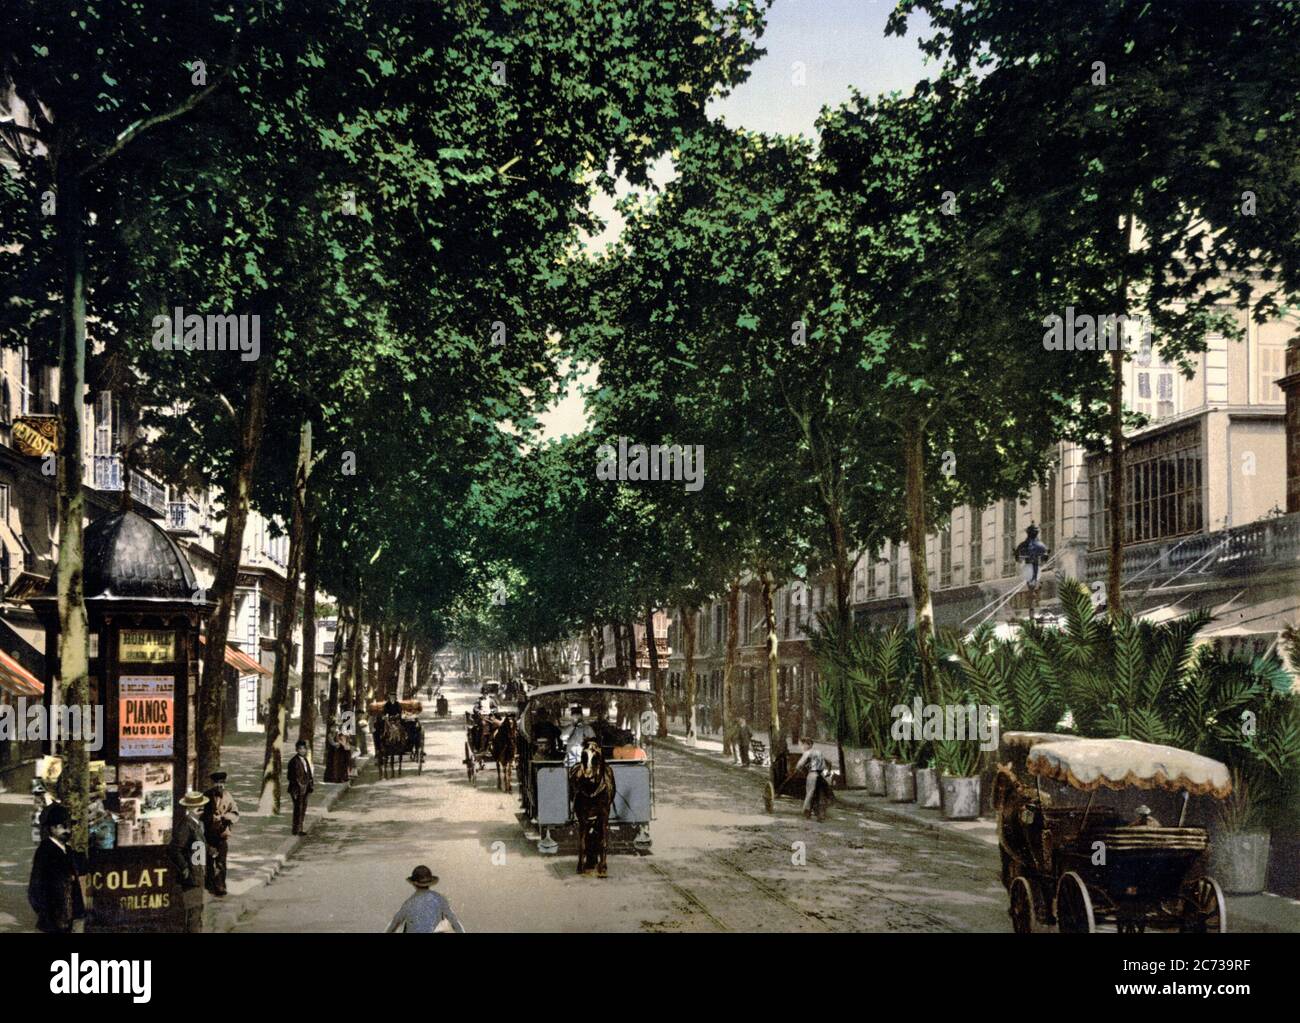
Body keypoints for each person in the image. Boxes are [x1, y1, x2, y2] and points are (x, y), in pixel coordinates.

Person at [28, 803, 84, 933]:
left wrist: (78, 914)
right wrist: (46, 915)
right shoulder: (45, 851)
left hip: (70, 919)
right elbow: (35, 888)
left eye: (69, 826)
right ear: (52, 828)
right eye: (62, 826)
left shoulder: (68, 850)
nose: (67, 830)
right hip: (52, 922)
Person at [169, 791, 209, 932]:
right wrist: (185, 868)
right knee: (193, 912)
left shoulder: (196, 824)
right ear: (189, 809)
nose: (201, 808)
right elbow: (175, 849)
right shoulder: (186, 825)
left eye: (201, 805)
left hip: (197, 874)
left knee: (196, 911)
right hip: (192, 877)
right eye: (197, 806)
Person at [386, 865, 465, 933]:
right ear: (429, 883)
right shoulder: (439, 899)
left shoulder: (409, 903)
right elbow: (454, 922)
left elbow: (394, 925)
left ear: (414, 883)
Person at [202, 771, 240, 897]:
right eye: (217, 783)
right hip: (208, 834)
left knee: (221, 862)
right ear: (213, 783)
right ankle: (209, 885)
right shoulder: (206, 796)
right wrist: (210, 818)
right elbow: (200, 814)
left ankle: (220, 886)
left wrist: (224, 817)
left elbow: (235, 814)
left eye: (222, 783)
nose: (220, 786)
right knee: (208, 861)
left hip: (222, 834)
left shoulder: (228, 797)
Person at [794, 737, 828, 819]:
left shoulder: (807, 753)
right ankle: (821, 814)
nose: (802, 747)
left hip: (812, 775)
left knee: (809, 793)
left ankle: (806, 810)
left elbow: (799, 765)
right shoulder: (818, 752)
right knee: (820, 794)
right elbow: (828, 762)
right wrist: (828, 772)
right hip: (820, 775)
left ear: (807, 745)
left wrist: (799, 770)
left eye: (802, 745)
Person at [287, 740, 315, 835]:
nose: (302, 750)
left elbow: (308, 774)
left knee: (303, 808)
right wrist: (300, 786)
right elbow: (291, 777)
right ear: (296, 750)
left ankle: (300, 828)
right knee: (298, 809)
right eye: (300, 749)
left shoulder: (305, 759)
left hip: (305, 788)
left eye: (304, 748)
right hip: (297, 789)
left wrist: (310, 784)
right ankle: (296, 830)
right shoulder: (293, 761)